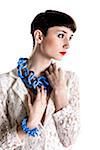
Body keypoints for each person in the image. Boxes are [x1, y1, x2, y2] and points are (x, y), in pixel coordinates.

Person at [0, 10, 80, 150]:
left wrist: (60, 92)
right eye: (61, 35)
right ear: (39, 36)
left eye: (70, 37)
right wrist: (28, 125)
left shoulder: (69, 80)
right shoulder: (4, 83)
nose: (67, 44)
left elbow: (69, 139)